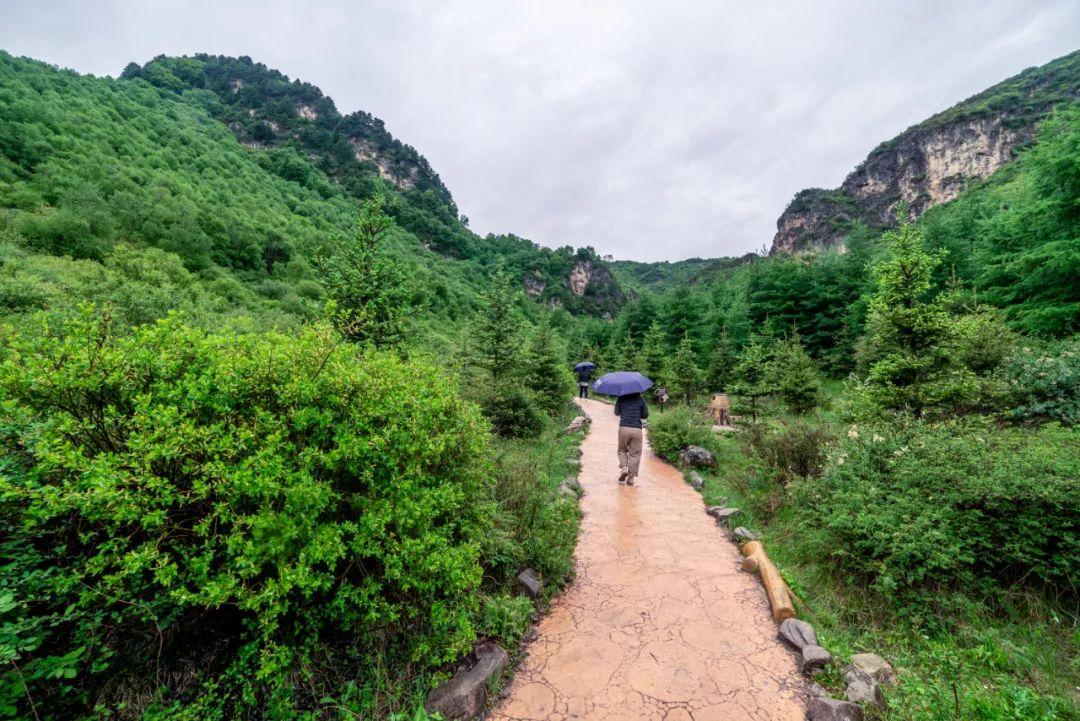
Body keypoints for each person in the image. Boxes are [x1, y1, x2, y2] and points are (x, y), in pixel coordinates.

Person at [614, 392, 648, 485]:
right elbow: (645, 415)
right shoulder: (641, 399)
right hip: (637, 429)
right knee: (635, 454)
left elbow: (616, 412)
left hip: (624, 427)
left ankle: (624, 467)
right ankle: (631, 478)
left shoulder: (622, 397)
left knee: (622, 450)